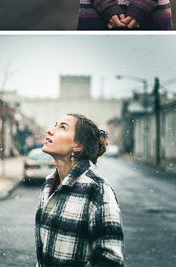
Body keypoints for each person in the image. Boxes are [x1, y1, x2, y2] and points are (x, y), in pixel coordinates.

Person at [36, 114, 124, 266]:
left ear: (78, 146)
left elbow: (111, 262)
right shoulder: (49, 185)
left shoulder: (98, 191)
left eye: (62, 127)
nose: (50, 131)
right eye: (54, 125)